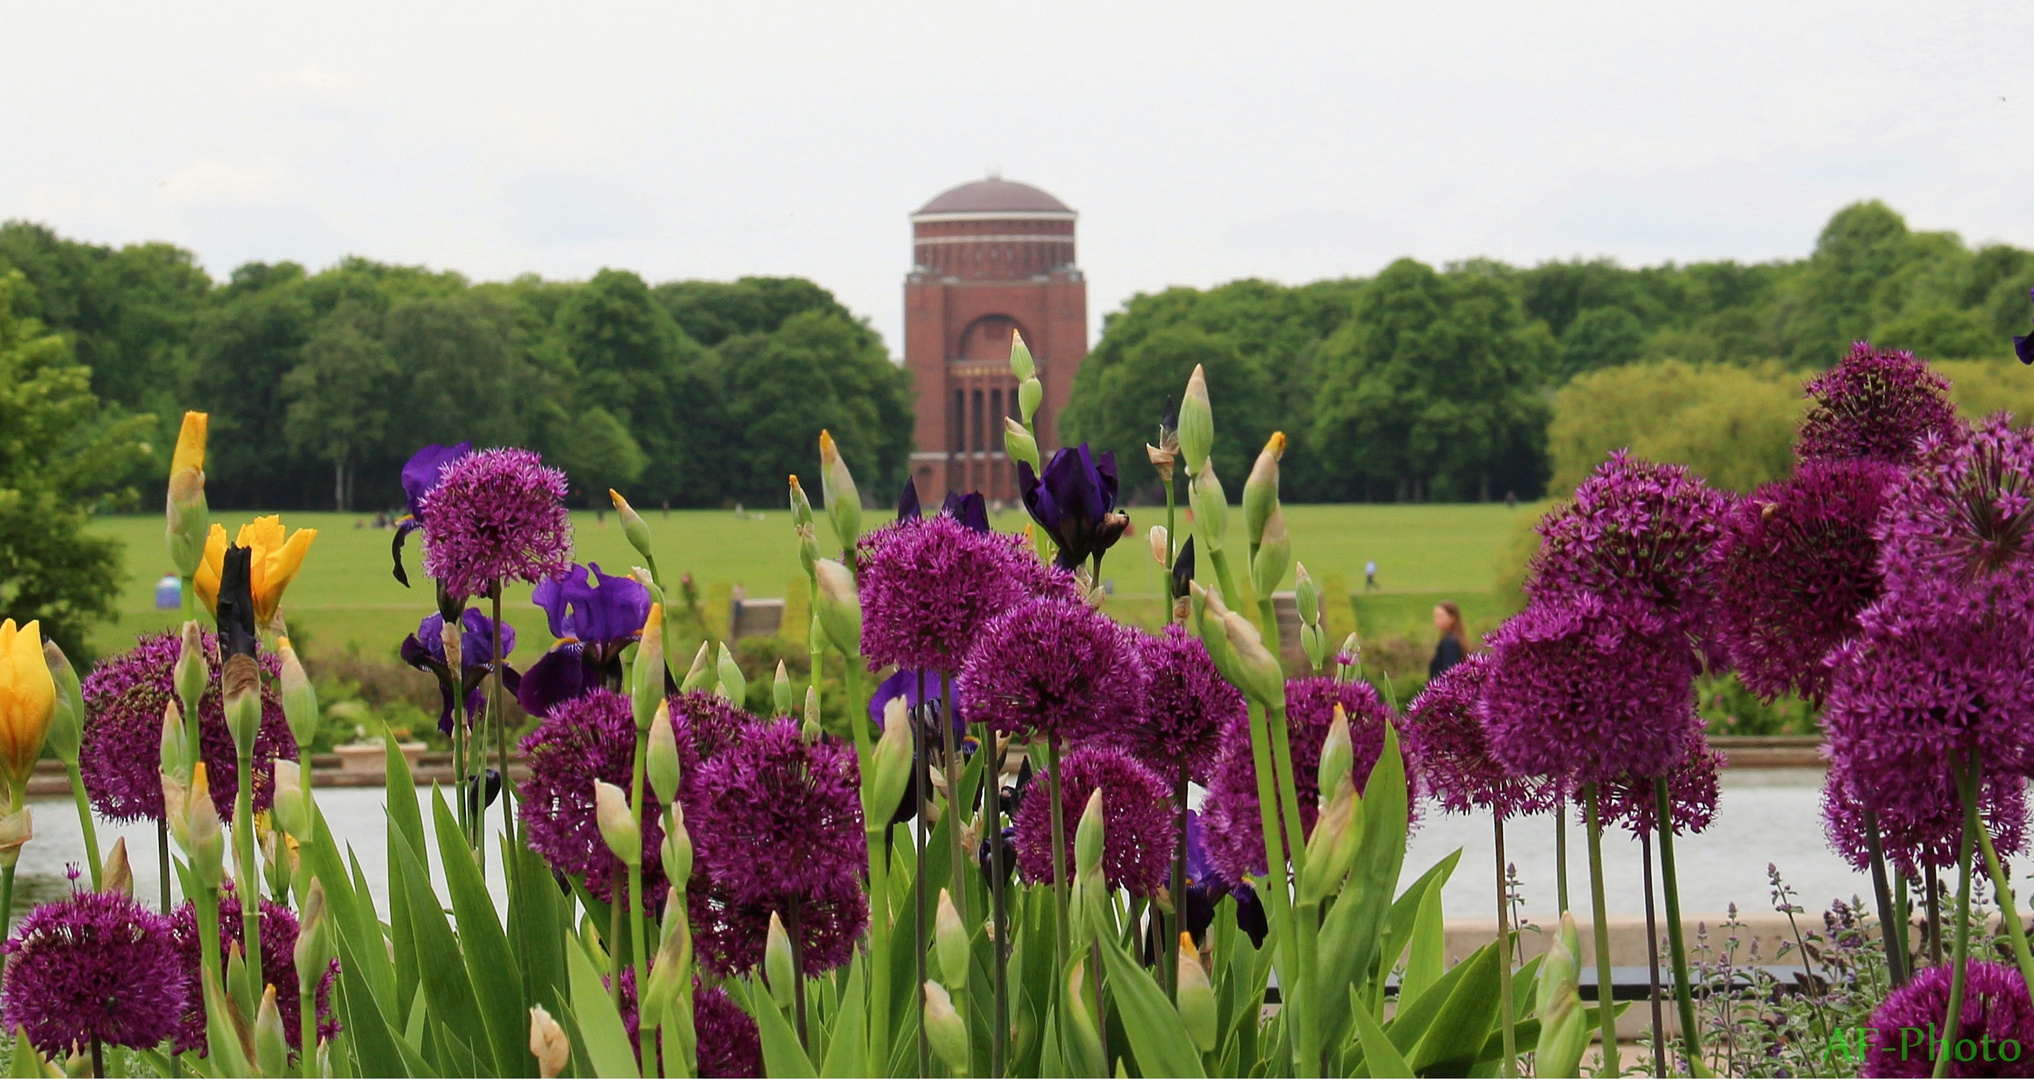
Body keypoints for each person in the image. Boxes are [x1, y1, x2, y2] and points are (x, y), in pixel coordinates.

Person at [1429, 601, 1467, 679]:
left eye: (1440, 616)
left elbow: (1450, 671)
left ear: (1452, 618)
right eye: (1435, 616)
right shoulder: (1456, 639)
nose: (1436, 620)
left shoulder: (1449, 642)